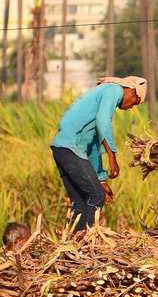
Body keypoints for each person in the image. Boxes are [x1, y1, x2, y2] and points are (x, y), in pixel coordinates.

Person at [51, 76, 146, 231]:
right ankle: (86, 240)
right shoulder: (113, 90)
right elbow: (103, 122)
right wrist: (112, 156)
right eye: (135, 102)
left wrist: (101, 179)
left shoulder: (103, 95)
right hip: (70, 149)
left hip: (61, 149)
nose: (130, 108)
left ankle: (75, 244)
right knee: (97, 196)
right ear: (131, 91)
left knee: (81, 202)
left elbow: (93, 145)